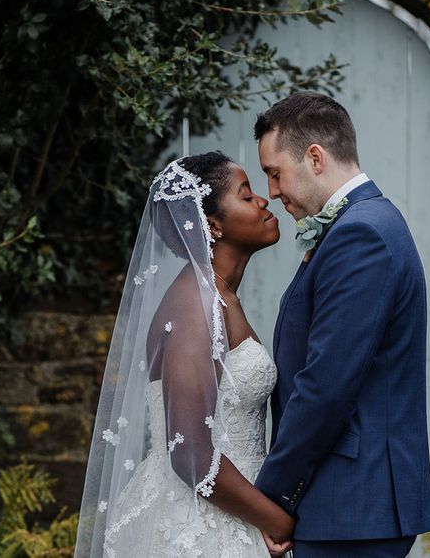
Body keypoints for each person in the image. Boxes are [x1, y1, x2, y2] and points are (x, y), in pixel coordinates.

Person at [74, 151, 294, 557]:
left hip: (235, 510)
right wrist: (278, 521)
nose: (263, 200)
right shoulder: (195, 303)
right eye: (246, 195)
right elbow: (189, 452)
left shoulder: (218, 296)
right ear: (212, 224)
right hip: (200, 525)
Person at [253, 92, 430, 557]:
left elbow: (326, 384)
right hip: (353, 505)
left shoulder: (361, 233)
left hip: (353, 504)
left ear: (315, 157)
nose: (272, 192)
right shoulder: (364, 223)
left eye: (275, 173)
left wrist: (270, 496)